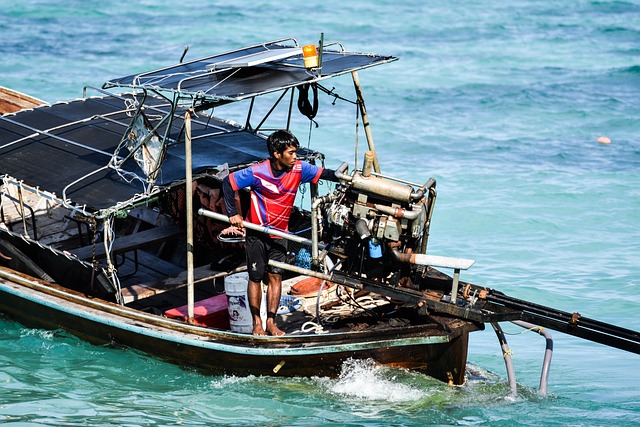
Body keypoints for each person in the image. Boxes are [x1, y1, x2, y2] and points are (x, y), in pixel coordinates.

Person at [222, 130, 340, 336]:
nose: (296, 157)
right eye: (291, 152)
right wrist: (233, 214)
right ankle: (256, 323)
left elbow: (327, 174)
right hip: (256, 233)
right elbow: (228, 183)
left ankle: (271, 322)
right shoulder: (257, 172)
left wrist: (347, 178)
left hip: (280, 234)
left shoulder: (299, 169)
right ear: (277, 154)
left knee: (276, 277)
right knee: (256, 277)